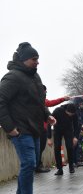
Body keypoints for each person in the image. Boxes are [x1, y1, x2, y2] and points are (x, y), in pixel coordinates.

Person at [0, 42, 56, 194]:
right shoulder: (12, 77)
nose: (37, 62)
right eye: (34, 59)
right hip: (20, 130)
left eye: (37, 58)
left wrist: (48, 115)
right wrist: (10, 128)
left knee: (31, 165)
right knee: (29, 163)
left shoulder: (35, 76)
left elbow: (39, 101)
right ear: (24, 60)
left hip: (36, 129)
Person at [36, 85, 70, 173]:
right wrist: (63, 99)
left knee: (41, 148)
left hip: (42, 129)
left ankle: (38, 165)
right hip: (39, 129)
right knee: (39, 148)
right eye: (45, 91)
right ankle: (37, 166)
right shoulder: (39, 100)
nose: (46, 93)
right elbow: (51, 103)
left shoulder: (40, 100)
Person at [47, 103, 78, 175]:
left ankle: (71, 166)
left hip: (68, 130)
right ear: (66, 111)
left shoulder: (74, 114)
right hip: (57, 130)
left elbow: (76, 125)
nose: (70, 115)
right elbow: (49, 122)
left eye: (72, 114)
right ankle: (60, 169)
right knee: (57, 147)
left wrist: (75, 137)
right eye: (69, 114)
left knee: (70, 147)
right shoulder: (57, 111)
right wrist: (49, 138)